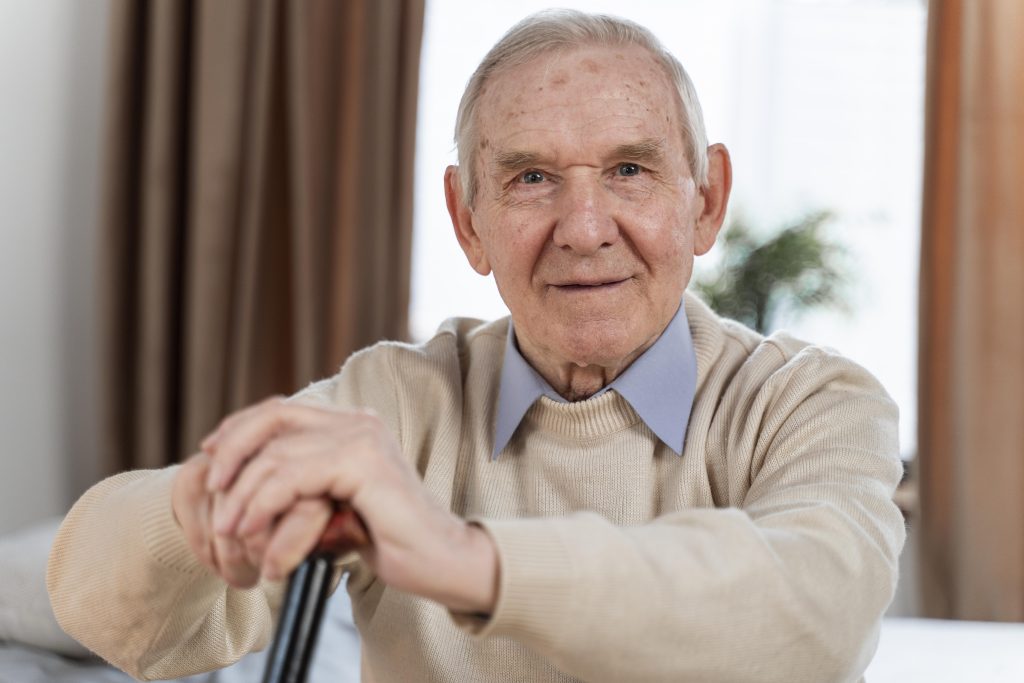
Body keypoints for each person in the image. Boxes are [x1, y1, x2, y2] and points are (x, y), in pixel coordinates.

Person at [48, 9, 905, 683]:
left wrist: (464, 559)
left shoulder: (815, 402)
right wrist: (198, 508)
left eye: (629, 171)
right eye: (532, 177)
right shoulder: (396, 400)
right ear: (468, 221)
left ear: (706, 201)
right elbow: (100, 602)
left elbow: (811, 613)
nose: (583, 228)